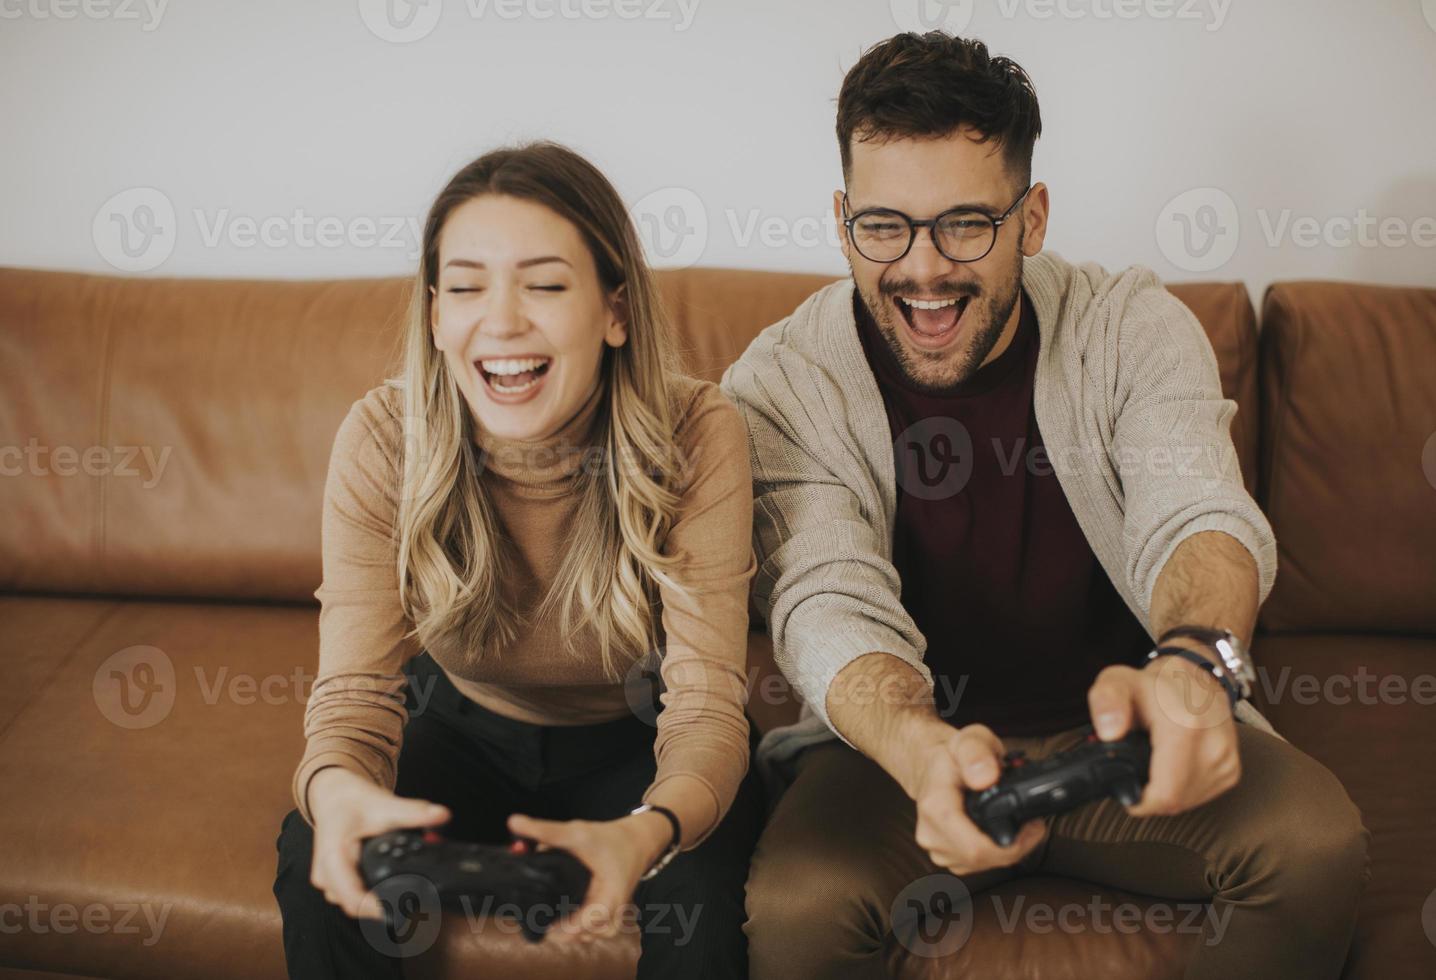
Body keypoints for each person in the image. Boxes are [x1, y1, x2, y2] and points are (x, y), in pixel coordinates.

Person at [720, 32, 1370, 980]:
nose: (924, 269)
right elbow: (824, 597)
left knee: (1314, 847)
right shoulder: (781, 381)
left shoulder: (1132, 326)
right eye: (885, 225)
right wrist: (918, 746)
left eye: (966, 225)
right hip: (907, 755)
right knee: (799, 909)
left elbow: (1197, 512)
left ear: (1032, 218)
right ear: (842, 217)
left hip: (1120, 742)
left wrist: (1193, 666)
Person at [273, 141, 763, 979]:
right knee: (319, 865)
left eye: (542, 284)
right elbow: (354, 699)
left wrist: (648, 832)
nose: (499, 321)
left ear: (615, 312)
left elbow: (709, 706)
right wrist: (336, 794)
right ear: (434, 315)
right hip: (463, 724)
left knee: (704, 911)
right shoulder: (384, 438)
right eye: (465, 287)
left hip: (640, 739)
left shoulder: (698, 433)